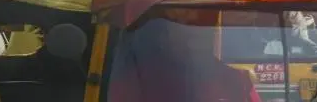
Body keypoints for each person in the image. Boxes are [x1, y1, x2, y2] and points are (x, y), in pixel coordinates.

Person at [108, 16, 260, 102]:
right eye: (185, 25)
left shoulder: (236, 78)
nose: (194, 33)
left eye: (202, 27)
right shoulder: (139, 72)